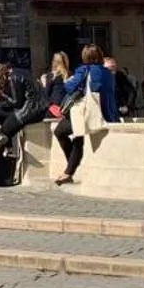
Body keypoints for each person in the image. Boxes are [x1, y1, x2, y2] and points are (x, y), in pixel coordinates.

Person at [55, 45, 117, 186]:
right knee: (77, 139)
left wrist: (66, 81)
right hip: (103, 112)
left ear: (85, 57)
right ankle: (69, 170)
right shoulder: (107, 73)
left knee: (62, 132)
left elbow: (69, 88)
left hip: (84, 111)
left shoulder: (84, 70)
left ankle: (69, 170)